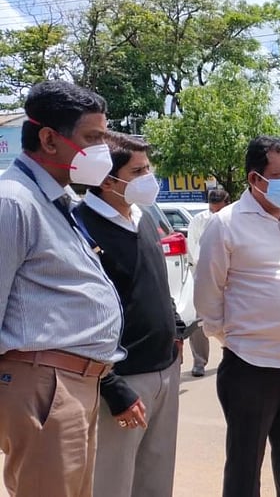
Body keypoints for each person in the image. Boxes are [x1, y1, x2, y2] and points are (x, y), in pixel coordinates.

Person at [0, 80, 124, 497]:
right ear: (49, 139)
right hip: (43, 385)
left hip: (71, 385)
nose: (101, 152)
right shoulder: (13, 201)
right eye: (91, 138)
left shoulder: (55, 201)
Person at [194, 136, 280, 497]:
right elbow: (208, 293)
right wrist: (233, 338)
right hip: (252, 364)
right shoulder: (227, 223)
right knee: (245, 468)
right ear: (255, 179)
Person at [73, 132, 183, 497]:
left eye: (148, 168)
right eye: (138, 171)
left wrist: (175, 326)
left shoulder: (144, 217)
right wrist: (111, 386)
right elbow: (78, 315)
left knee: (156, 478)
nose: (149, 178)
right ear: (107, 180)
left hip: (164, 367)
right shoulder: (79, 226)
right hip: (121, 380)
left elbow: (154, 283)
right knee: (112, 482)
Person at [186, 188, 231, 378]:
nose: (215, 215)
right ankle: (199, 361)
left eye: (218, 211)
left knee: (232, 319)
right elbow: (193, 248)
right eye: (212, 210)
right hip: (203, 277)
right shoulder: (199, 221)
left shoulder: (235, 220)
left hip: (231, 278)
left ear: (226, 205)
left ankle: (231, 355)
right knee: (199, 321)